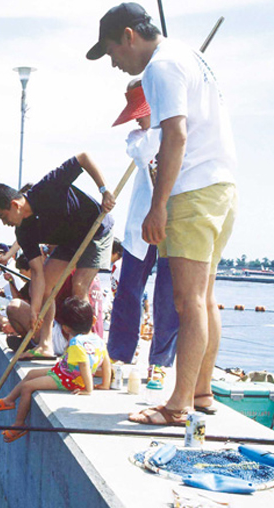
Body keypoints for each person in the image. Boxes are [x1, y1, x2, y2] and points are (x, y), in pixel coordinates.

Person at [87, 2, 237, 425]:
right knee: (204, 299)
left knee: (187, 302)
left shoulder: (160, 66)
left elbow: (176, 134)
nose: (114, 63)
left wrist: (158, 206)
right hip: (223, 185)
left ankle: (177, 406)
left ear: (129, 36)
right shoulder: (191, 55)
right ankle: (201, 393)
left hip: (192, 192)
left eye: (112, 51)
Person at [0, 153, 116, 359]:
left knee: (79, 287)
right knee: (47, 285)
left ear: (15, 205)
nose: (5, 223)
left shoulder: (48, 187)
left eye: (3, 216)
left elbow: (83, 158)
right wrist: (35, 311)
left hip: (95, 229)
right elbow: (37, 272)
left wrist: (104, 190)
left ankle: (83, 348)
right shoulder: (23, 232)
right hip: (69, 241)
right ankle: (45, 345)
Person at [105, 78, 179, 390]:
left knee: (167, 296)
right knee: (128, 293)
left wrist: (164, 120)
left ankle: (160, 364)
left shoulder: (177, 133)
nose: (136, 117)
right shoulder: (138, 137)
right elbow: (145, 148)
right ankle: (118, 356)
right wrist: (155, 124)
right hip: (140, 227)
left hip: (172, 225)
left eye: (141, 111)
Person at [0, 296, 111, 443]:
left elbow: (84, 365)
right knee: (31, 373)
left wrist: (88, 389)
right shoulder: (98, 340)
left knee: (28, 387)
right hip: (66, 371)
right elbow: (106, 363)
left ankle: (19, 424)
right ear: (94, 320)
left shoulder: (76, 343)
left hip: (68, 379)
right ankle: (9, 400)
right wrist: (105, 384)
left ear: (65, 327)